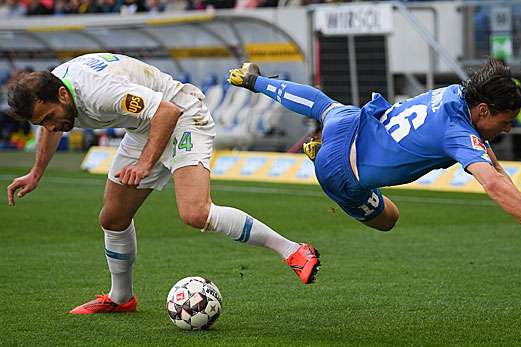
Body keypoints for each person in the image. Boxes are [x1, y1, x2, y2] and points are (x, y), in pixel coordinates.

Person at [5, 53, 320, 314]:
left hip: (182, 116)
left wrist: (144, 163)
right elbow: (51, 130)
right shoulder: (56, 92)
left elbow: (167, 111)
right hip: (145, 127)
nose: (50, 125)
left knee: (196, 213)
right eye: (41, 122)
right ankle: (121, 298)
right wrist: (36, 173)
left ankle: (294, 251)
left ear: (62, 94)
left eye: (49, 116)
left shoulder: (99, 92)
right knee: (112, 219)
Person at [228, 59, 521, 252]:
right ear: (482, 110)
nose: (508, 129)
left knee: (327, 105)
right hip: (340, 171)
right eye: (506, 122)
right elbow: (492, 180)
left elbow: (493, 165)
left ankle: (256, 81)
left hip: (352, 121)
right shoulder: (459, 133)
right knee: (389, 217)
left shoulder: (451, 94)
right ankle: (320, 155)